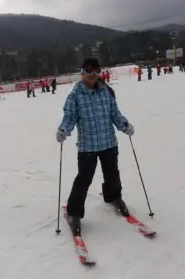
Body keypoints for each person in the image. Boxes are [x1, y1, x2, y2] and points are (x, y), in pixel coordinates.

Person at [56, 58, 135, 236]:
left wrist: (124, 125)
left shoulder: (106, 92)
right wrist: (63, 130)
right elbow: (69, 118)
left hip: (108, 142)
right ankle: (74, 212)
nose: (93, 75)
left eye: (96, 72)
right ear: (82, 73)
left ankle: (113, 197)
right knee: (84, 179)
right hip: (88, 146)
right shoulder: (75, 96)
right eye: (89, 71)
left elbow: (115, 113)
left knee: (112, 174)